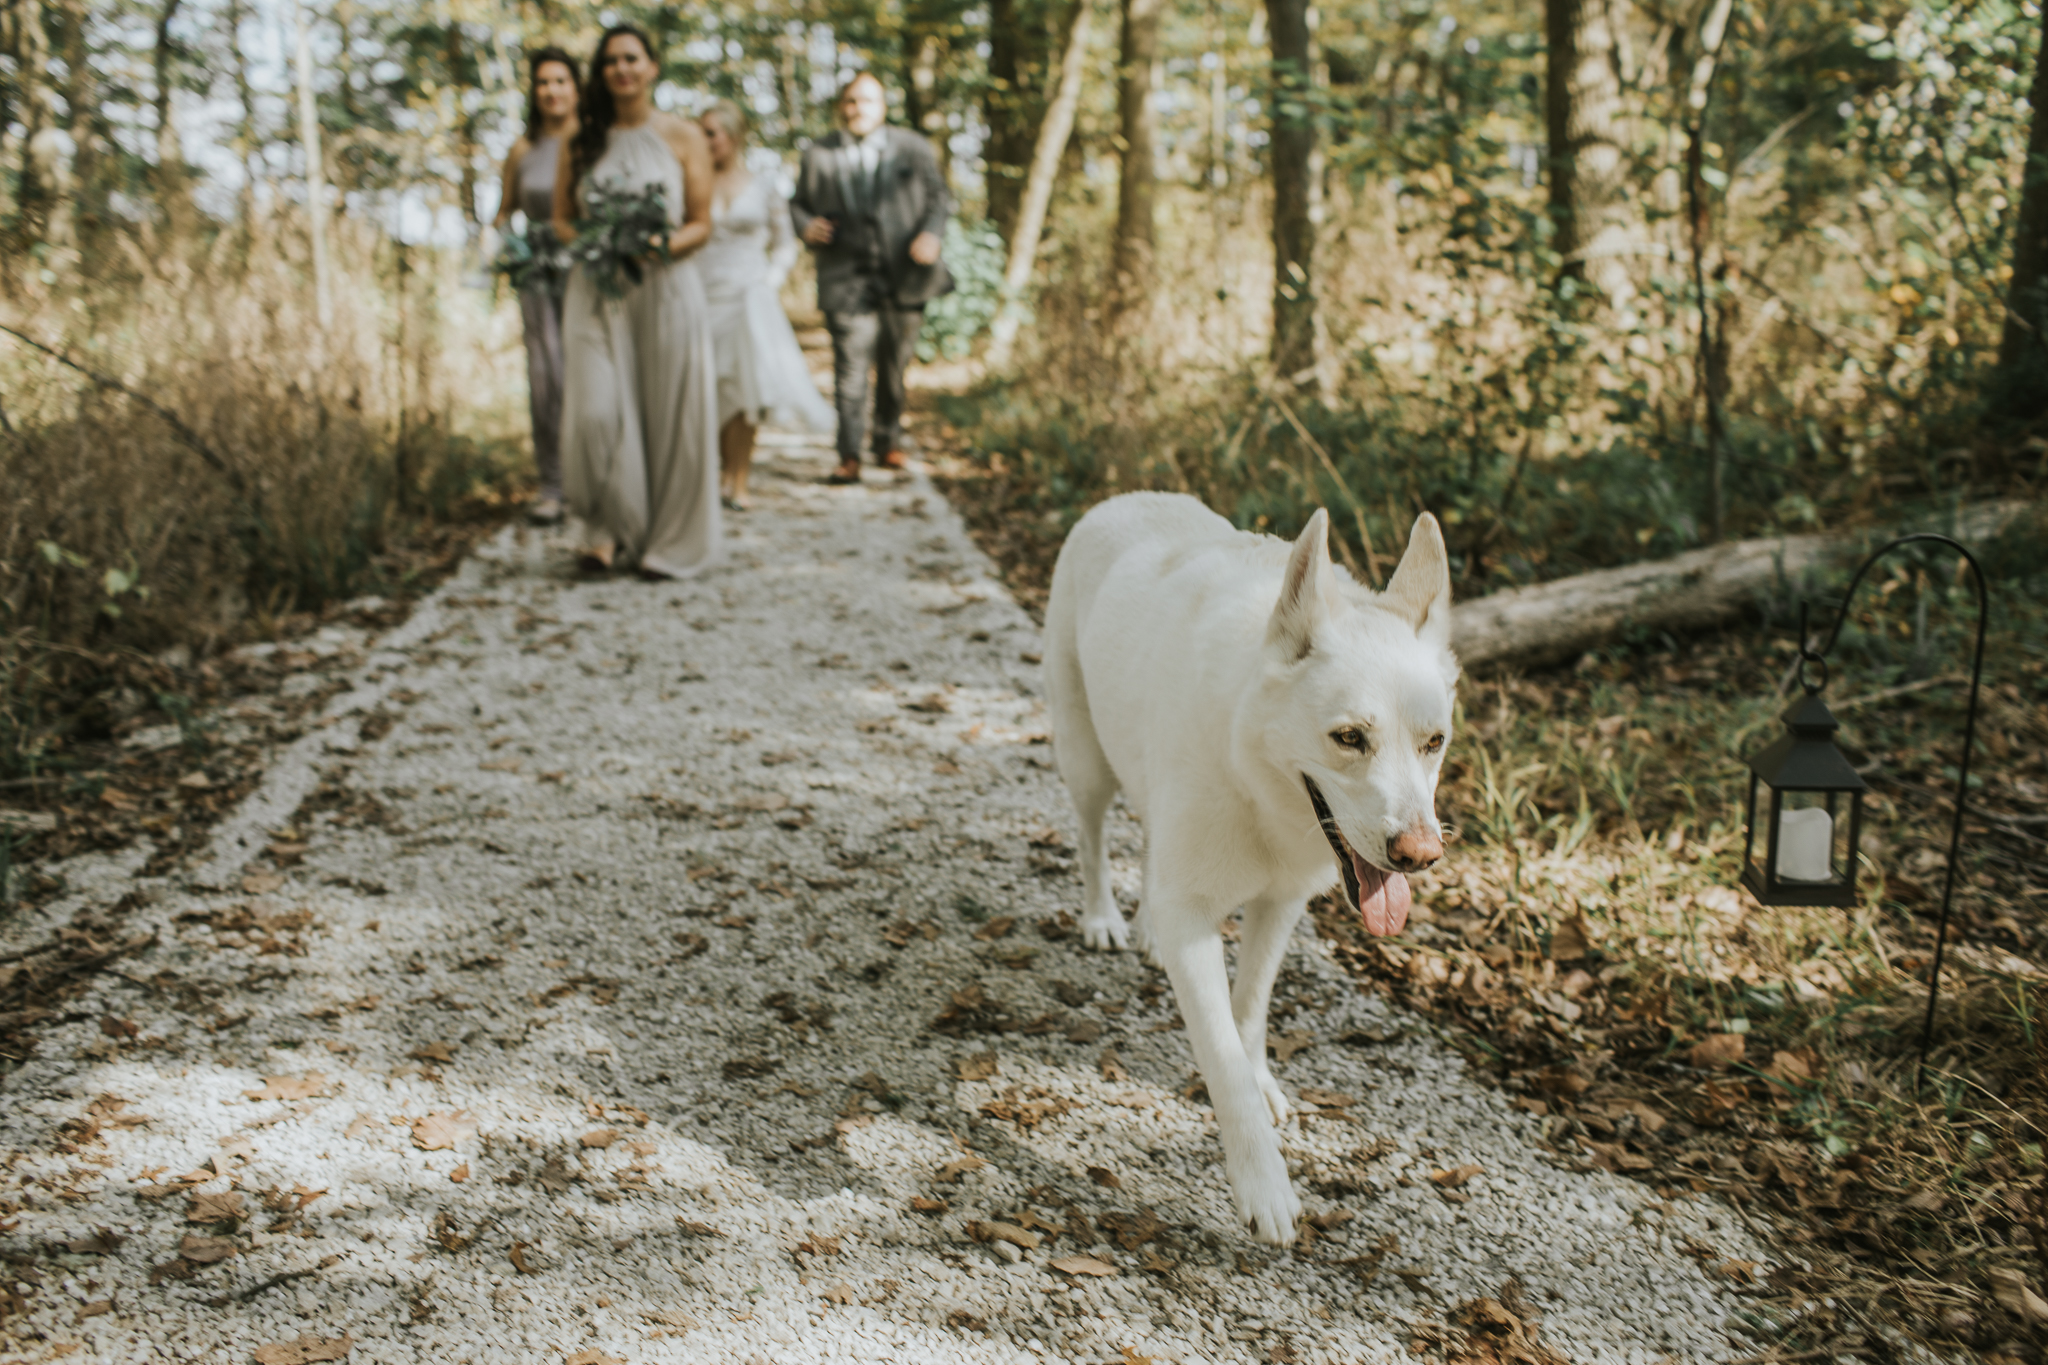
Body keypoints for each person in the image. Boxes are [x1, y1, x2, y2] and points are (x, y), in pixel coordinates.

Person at [551, 24, 720, 579]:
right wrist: (598, 245)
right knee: (597, 409)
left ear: (652, 67)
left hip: (665, 287)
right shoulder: (580, 138)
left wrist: (656, 246)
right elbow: (561, 218)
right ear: (600, 74)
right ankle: (603, 530)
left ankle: (669, 541)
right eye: (609, 62)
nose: (621, 69)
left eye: (631, 59)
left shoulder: (683, 136)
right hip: (597, 289)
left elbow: (701, 224)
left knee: (668, 413)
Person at [789, 72, 953, 486]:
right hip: (845, 278)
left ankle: (888, 441)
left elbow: (939, 198)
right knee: (849, 370)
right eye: (850, 101)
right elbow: (798, 205)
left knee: (894, 368)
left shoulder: (913, 148)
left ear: (883, 107)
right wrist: (806, 225)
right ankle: (848, 455)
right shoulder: (818, 153)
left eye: (867, 101)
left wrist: (931, 234)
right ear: (841, 106)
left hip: (906, 277)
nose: (858, 108)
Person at [696, 100, 834, 511]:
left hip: (747, 299)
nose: (704, 141)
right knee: (709, 389)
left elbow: (785, 244)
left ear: (733, 138)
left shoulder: (762, 185)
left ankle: (738, 478)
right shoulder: (694, 184)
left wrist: (767, 283)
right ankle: (718, 471)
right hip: (701, 299)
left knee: (743, 390)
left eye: (711, 133)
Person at [491, 47, 579, 526]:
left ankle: (592, 479)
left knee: (586, 373)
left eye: (561, 81)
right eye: (543, 82)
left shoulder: (591, 142)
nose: (552, 90)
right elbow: (503, 213)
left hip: (587, 270)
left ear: (576, 87)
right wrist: (511, 250)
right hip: (538, 274)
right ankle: (552, 483)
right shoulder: (523, 149)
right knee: (546, 376)